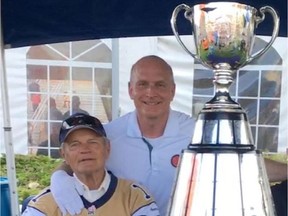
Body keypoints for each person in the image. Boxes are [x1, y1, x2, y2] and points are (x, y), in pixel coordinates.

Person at [51, 55, 288, 216]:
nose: (151, 92)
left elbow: (243, 165)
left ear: (173, 90)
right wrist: (58, 180)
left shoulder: (196, 131)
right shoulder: (110, 134)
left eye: (160, 85)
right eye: (142, 84)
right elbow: (74, 159)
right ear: (130, 90)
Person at [23, 113, 160, 216]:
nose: (85, 149)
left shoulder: (134, 196)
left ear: (107, 148)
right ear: (64, 154)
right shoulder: (46, 202)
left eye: (93, 142)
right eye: (75, 145)